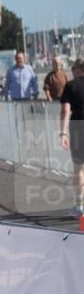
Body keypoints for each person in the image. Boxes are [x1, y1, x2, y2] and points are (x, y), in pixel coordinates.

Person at [59, 59, 84, 216]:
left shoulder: (70, 86)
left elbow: (65, 111)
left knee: (79, 168)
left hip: (77, 126)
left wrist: (63, 132)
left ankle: (80, 204)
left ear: (76, 69)